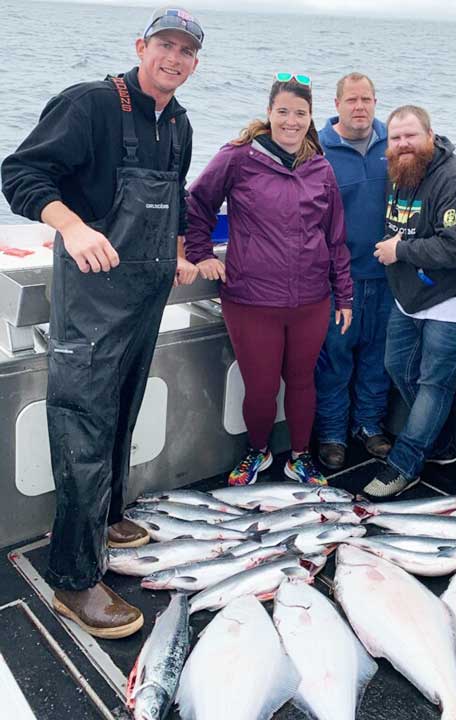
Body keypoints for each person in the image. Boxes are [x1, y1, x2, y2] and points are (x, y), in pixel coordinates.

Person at [1, 7, 202, 637]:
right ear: (141, 46)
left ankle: (109, 517)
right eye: (165, 45)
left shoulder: (179, 121)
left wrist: (178, 250)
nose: (174, 58)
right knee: (84, 430)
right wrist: (72, 224)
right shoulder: (88, 104)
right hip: (90, 301)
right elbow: (20, 174)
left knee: (123, 411)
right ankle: (75, 580)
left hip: (143, 296)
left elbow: (178, 192)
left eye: (187, 51)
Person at [185, 74, 353, 488]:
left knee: (301, 381)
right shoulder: (238, 157)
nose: (291, 121)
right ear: (269, 113)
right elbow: (197, 202)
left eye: (300, 113)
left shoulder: (321, 168)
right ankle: (256, 450)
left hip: (312, 300)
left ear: (311, 117)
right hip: (250, 300)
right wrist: (200, 254)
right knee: (260, 388)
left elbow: (335, 238)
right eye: (283, 112)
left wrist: (344, 295)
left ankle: (300, 457)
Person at [363, 105, 456, 498]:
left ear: (430, 135)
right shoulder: (399, 170)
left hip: (450, 302)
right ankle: (439, 445)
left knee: (433, 384)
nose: (403, 144)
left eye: (410, 136)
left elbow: (455, 246)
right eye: (395, 138)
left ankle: (404, 463)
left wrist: (401, 250)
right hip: (407, 298)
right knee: (397, 366)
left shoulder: (455, 176)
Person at [315, 72, 393, 470]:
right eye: (351, 100)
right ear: (337, 105)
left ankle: (368, 424)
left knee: (377, 358)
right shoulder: (317, 149)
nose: (359, 107)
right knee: (335, 357)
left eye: (366, 99)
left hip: (386, 276)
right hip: (338, 280)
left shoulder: (393, 143)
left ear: (376, 102)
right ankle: (331, 432)